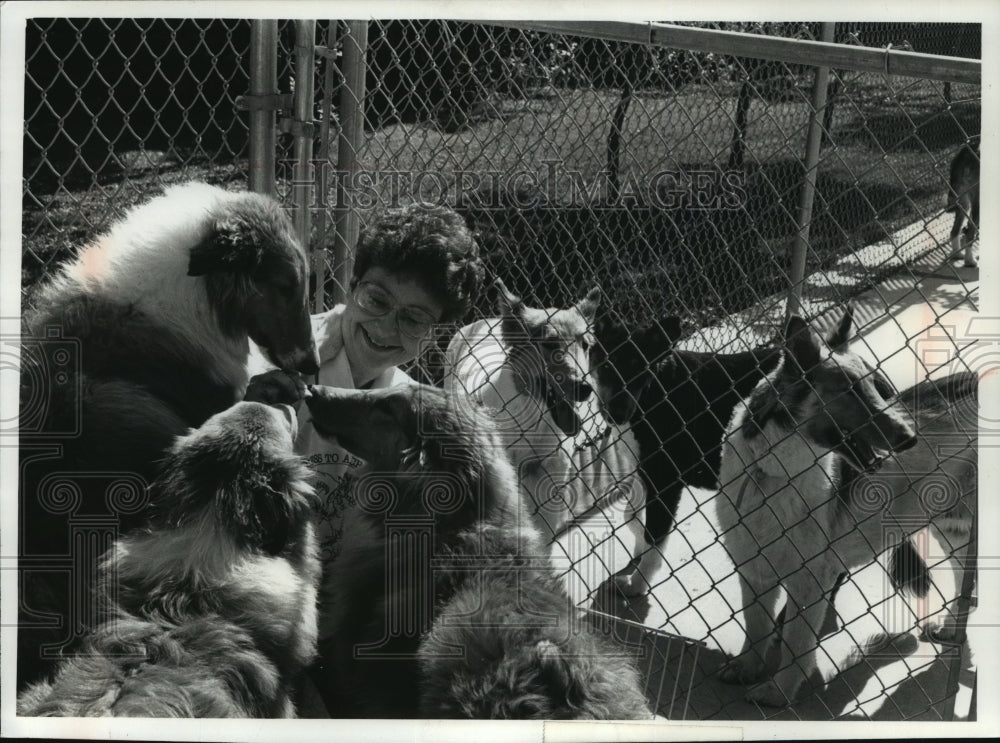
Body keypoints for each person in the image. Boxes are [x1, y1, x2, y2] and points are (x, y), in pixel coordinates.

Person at [247, 202, 484, 566]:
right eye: (376, 300)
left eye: (414, 319)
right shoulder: (275, 360)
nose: (386, 327)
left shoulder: (407, 405)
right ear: (352, 286)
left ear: (434, 335)